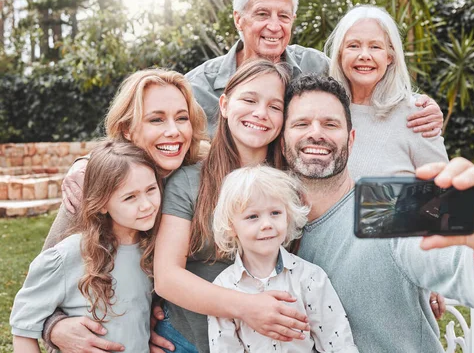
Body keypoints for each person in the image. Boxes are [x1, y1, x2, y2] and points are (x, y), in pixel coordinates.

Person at [282, 74, 474, 352]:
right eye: (301, 123)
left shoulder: (386, 205)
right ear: (282, 136)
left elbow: (457, 266)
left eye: (330, 124)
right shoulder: (270, 222)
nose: (316, 133)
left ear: (352, 138)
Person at [42, 69, 209, 353]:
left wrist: (154, 317)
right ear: (127, 130)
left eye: (182, 118)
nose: (174, 131)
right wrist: (54, 327)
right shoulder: (93, 189)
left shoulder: (202, 171)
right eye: (157, 119)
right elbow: (44, 277)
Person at [153, 59, 311, 353]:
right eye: (249, 99)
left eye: (275, 107)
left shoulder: (293, 185)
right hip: (185, 341)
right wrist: (246, 308)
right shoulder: (188, 181)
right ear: (224, 105)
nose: (260, 113)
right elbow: (167, 277)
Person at [185, 0, 443, 138]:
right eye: (262, 14)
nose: (274, 26)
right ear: (239, 19)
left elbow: (368, 90)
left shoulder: (317, 66)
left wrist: (417, 107)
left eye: (283, 16)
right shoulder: (199, 88)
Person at [326, 4, 449, 317]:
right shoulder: (322, 113)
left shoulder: (415, 114)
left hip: (396, 277)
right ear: (339, 54)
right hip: (324, 275)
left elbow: (444, 199)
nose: (364, 55)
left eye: (375, 46)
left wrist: (433, 269)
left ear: (390, 56)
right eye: (353, 45)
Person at [11, 141, 161, 353]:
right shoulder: (69, 254)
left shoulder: (151, 251)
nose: (147, 204)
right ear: (101, 203)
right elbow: (23, 326)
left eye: (151, 189)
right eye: (130, 197)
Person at [208, 165, 358, 353]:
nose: (267, 224)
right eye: (252, 216)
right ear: (231, 226)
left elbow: (337, 344)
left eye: (275, 213)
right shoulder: (223, 289)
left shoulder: (310, 277)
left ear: (288, 216)